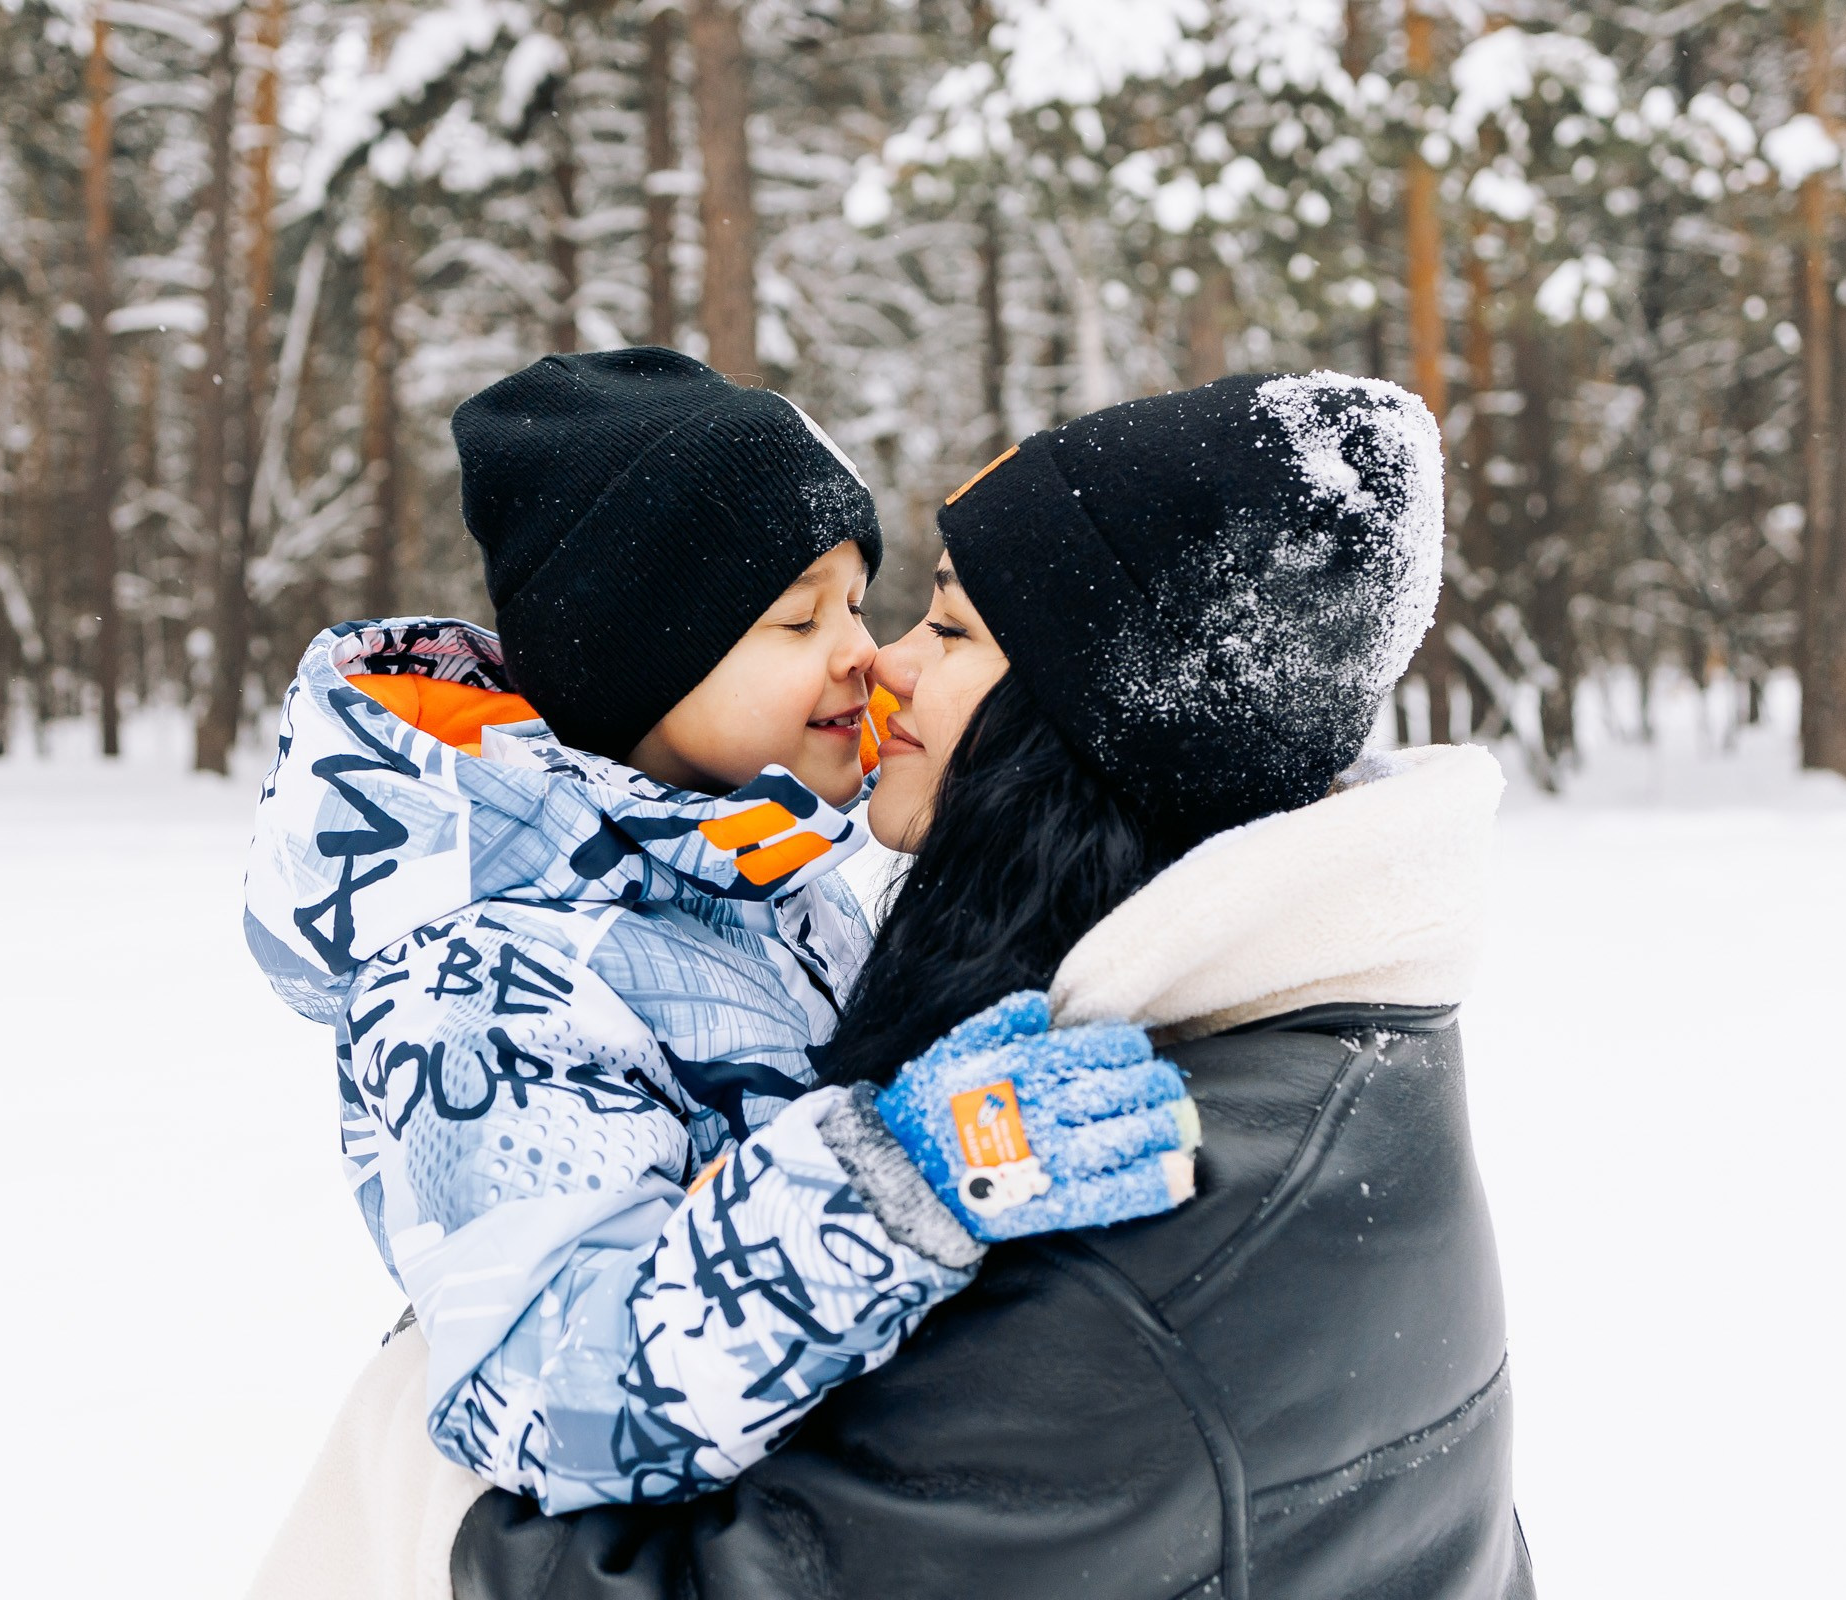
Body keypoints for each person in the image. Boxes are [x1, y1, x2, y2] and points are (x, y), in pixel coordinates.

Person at [454, 370, 1534, 1599]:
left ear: (1095, 722)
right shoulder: (1313, 1049)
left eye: (949, 627)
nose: (884, 665)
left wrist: (403, 1464)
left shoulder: (1130, 1216)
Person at [241, 349, 1197, 1598]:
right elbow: (561, 1386)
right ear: (642, 665)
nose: (866, 655)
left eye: (859, 603)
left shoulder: (768, 877)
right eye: (798, 619)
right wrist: (895, 1181)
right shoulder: (482, 980)